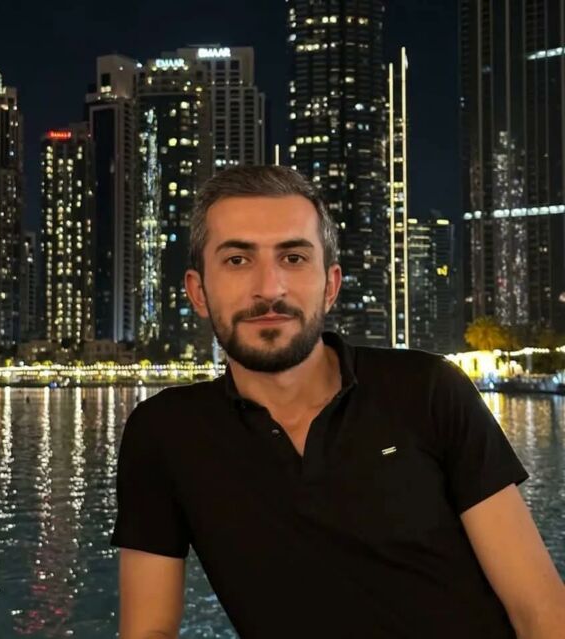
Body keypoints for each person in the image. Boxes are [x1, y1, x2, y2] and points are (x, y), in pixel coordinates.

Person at [111, 166, 565, 639]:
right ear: (198, 291)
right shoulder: (165, 433)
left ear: (330, 285)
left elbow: (541, 611)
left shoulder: (427, 389)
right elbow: (147, 631)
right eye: (238, 260)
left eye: (293, 258)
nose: (269, 288)